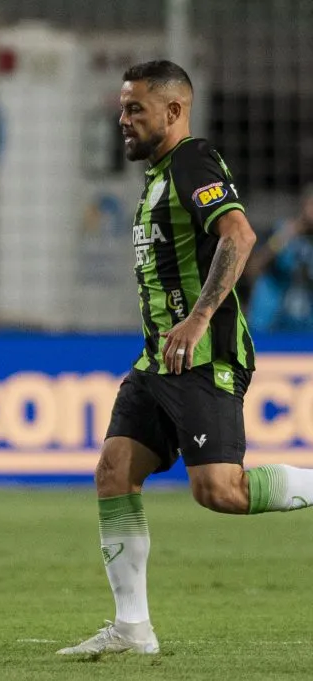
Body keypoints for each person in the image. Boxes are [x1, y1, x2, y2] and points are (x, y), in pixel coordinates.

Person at [58, 60, 313, 656]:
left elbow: (239, 236)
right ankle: (131, 629)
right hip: (158, 360)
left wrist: (197, 319)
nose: (123, 120)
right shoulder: (158, 175)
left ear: (174, 111)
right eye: (122, 109)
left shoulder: (193, 161)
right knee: (114, 472)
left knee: (219, 490)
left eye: (135, 109)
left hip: (203, 355)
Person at [245, 185, 313, 332]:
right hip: (270, 320)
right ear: (304, 204)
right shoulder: (281, 230)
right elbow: (254, 267)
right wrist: (284, 237)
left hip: (305, 324)